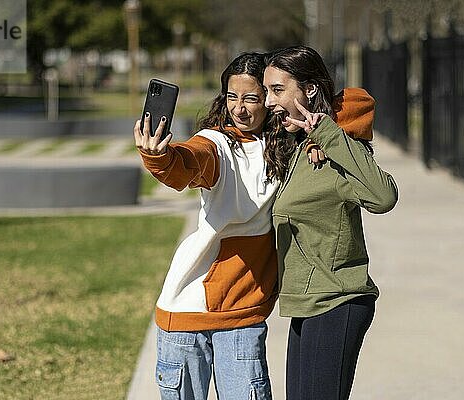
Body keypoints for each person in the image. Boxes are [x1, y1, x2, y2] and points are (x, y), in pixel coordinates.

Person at [133, 52, 373, 400]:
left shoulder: (290, 143)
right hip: (185, 312)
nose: (239, 109)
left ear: (271, 100)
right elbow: (190, 160)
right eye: (231, 97)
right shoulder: (218, 143)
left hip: (243, 313)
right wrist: (161, 157)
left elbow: (357, 101)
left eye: (251, 98)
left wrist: (328, 135)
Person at [262, 45, 398, 400]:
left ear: (308, 89)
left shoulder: (336, 148)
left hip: (337, 300)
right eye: (267, 91)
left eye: (277, 90)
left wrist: (331, 135)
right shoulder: (294, 145)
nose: (267, 102)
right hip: (307, 303)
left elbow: (384, 197)